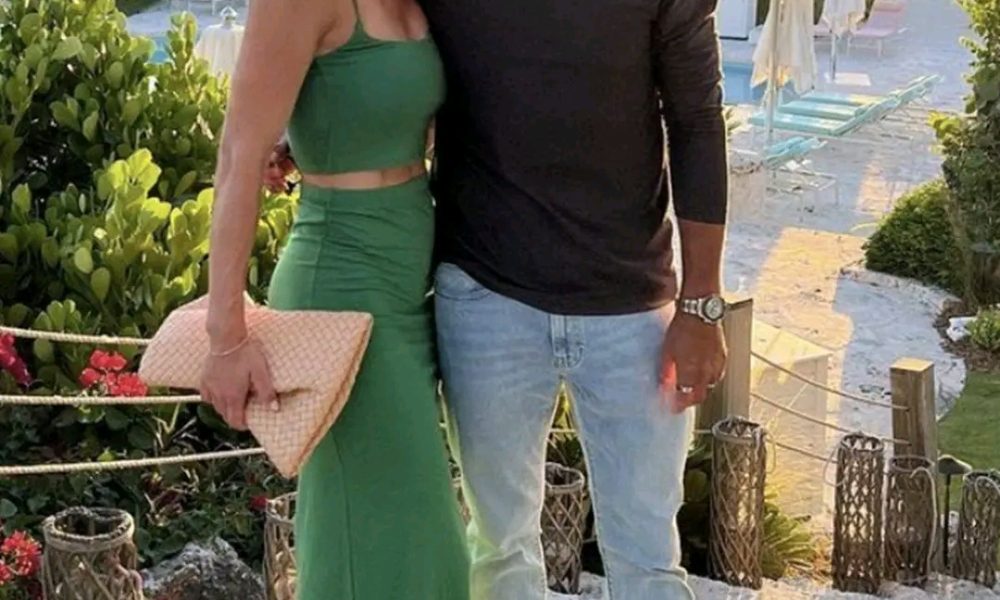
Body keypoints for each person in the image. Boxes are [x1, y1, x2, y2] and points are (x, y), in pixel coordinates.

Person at [420, 0, 730, 598]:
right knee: (500, 547)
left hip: (633, 308)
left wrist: (701, 303)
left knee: (648, 558)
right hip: (486, 295)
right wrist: (312, 138)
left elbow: (696, 119)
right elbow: (380, 49)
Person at [198, 0, 469, 598]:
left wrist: (321, 132)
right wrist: (226, 338)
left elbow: (391, 111)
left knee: (395, 530)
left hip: (407, 284)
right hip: (341, 283)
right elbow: (238, 154)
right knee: (401, 531)